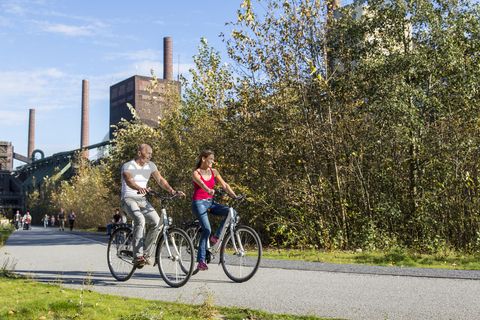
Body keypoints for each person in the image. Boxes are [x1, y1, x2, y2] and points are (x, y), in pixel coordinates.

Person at [121, 143, 184, 267]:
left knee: (157, 222)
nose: (150, 156)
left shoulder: (151, 166)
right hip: (128, 199)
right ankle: (138, 256)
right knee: (140, 219)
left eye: (151, 154)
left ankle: (145, 253)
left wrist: (172, 191)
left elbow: (160, 180)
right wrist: (139, 188)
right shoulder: (127, 166)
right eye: (148, 153)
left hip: (142, 200)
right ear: (139, 153)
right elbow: (129, 181)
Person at [191, 149, 238, 271]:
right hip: (199, 203)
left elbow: (225, 185)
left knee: (231, 212)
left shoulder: (214, 171)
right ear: (203, 159)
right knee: (206, 229)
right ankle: (201, 261)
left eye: (213, 159)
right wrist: (208, 190)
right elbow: (201, 183)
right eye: (210, 159)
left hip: (210, 203)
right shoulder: (196, 172)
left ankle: (216, 237)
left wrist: (234, 195)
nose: (212, 161)